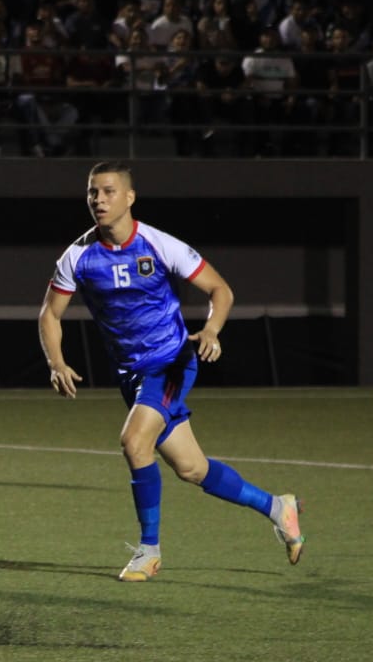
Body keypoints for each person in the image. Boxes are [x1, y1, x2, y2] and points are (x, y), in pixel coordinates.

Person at [37, 162, 305, 582]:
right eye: (92, 193)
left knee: (133, 441)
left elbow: (221, 290)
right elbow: (50, 315)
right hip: (133, 376)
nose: (99, 200)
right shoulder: (77, 256)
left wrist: (212, 330)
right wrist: (56, 362)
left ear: (129, 197)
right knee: (192, 469)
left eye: (108, 192)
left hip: (173, 361)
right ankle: (277, 507)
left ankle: (149, 551)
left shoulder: (160, 245)